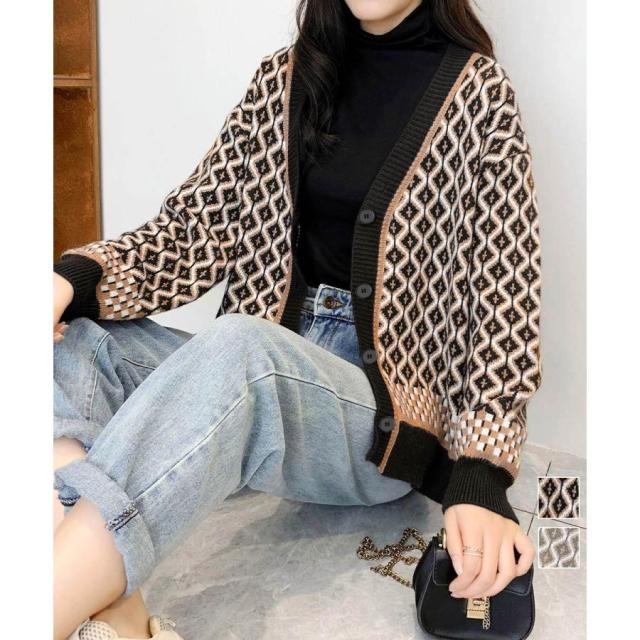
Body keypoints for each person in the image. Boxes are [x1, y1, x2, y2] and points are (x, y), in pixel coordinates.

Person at [53, 1, 541, 638]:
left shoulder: (479, 94)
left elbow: (506, 297)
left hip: (375, 417)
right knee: (68, 339)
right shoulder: (284, 78)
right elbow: (193, 231)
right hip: (266, 373)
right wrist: (68, 282)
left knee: (242, 347)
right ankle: (116, 611)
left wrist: (479, 475)